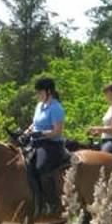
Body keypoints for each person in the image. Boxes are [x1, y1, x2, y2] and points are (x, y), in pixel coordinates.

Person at [25, 77, 66, 215]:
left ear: (49, 91)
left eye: (40, 92)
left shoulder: (56, 108)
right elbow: (34, 124)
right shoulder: (39, 106)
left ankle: (52, 203)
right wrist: (26, 132)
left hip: (51, 145)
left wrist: (40, 133)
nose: (38, 95)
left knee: (40, 167)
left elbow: (57, 131)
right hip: (36, 142)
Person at [88, 83, 112, 155]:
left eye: (106, 94)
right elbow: (106, 128)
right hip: (104, 141)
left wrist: (97, 128)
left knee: (101, 158)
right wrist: (97, 133)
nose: (105, 97)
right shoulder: (111, 107)